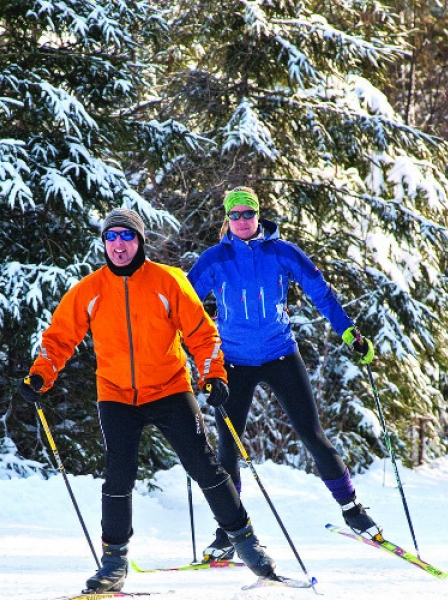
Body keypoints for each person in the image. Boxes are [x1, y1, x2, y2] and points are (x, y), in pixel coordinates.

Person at [18, 208, 277, 593]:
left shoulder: (166, 281)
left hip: (170, 388)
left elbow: (202, 334)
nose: (119, 245)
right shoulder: (90, 289)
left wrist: (214, 374)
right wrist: (41, 374)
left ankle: (245, 541)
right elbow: (59, 338)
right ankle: (113, 561)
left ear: (140, 241)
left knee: (204, 466)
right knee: (117, 475)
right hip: (116, 394)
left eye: (126, 237)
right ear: (104, 243)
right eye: (111, 238)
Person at [188, 187, 381, 562]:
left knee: (312, 433)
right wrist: (175, 346)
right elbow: (183, 303)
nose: (243, 220)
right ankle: (228, 531)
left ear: (259, 216)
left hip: (280, 354)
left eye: (249, 213)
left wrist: (349, 332)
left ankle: (353, 509)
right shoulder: (215, 259)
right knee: (228, 447)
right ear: (227, 220)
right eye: (236, 215)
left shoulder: (283, 252)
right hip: (233, 363)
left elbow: (321, 294)